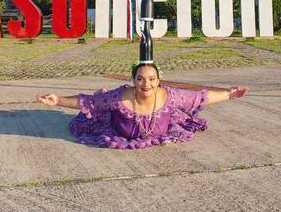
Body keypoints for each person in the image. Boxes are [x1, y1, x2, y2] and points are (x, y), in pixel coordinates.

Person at [36, 62, 248, 149]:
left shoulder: (171, 96)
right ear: (133, 79)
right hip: (117, 132)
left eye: (151, 79)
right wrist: (59, 100)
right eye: (140, 79)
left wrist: (229, 94)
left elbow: (200, 98)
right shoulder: (118, 98)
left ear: (158, 80)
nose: (146, 84)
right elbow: (88, 102)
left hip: (161, 130)